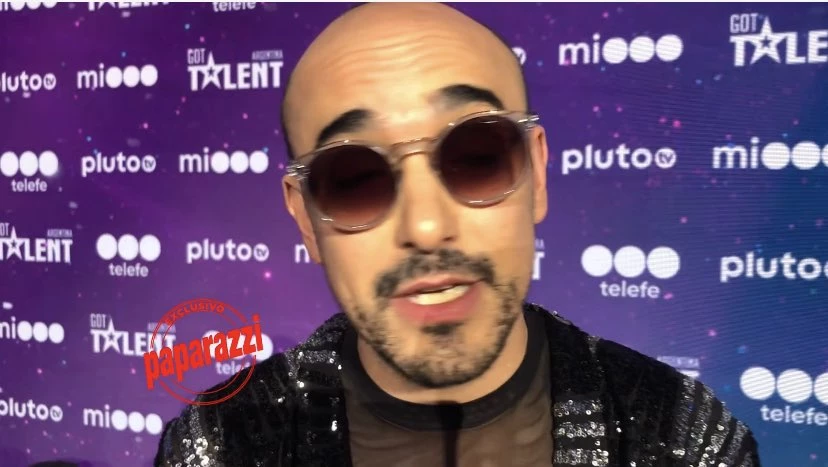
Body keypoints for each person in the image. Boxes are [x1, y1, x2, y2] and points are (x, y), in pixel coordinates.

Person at [154, 3, 761, 466]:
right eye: (355, 179)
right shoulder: (219, 445)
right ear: (305, 218)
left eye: (477, 157)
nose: (426, 227)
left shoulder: (685, 436)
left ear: (537, 173)